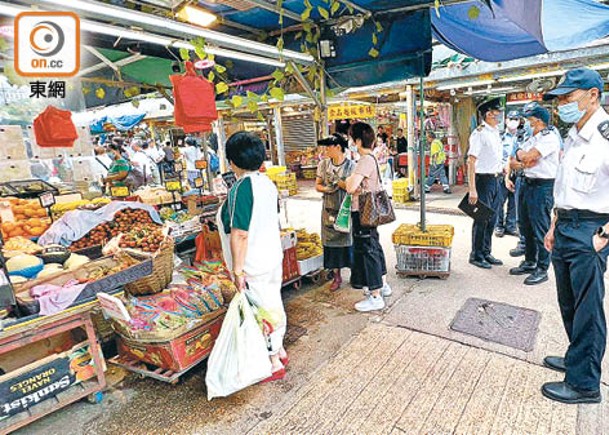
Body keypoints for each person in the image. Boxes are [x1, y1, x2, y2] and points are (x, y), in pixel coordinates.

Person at [541, 68, 609, 404]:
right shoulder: (572, 134)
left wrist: (604, 236)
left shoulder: (605, 136)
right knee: (568, 302)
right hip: (566, 225)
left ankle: (585, 384)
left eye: (569, 97)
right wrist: (554, 225)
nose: (562, 104)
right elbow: (564, 189)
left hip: (590, 228)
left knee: (588, 310)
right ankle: (576, 358)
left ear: (593, 95)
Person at [217, 131, 288, 382]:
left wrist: (237, 271)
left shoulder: (242, 187)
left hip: (253, 263)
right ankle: (279, 348)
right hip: (271, 257)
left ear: (233, 161)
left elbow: (240, 234)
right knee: (273, 302)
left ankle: (273, 362)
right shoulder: (266, 183)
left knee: (261, 311)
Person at [507, 103, 560, 285]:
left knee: (540, 228)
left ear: (538, 121)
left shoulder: (549, 137)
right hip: (527, 184)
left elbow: (529, 157)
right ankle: (530, 261)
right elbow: (514, 160)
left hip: (542, 187)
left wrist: (524, 157)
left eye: (529, 120)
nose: (527, 123)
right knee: (525, 226)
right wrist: (524, 159)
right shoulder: (531, 138)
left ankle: (542, 267)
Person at [346, 122, 392, 312]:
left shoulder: (364, 160)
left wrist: (350, 181)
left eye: (351, 139)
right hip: (370, 211)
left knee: (368, 251)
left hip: (363, 211)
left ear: (357, 141)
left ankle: (375, 295)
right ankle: (383, 284)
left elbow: (350, 187)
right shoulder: (371, 158)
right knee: (374, 246)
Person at [467, 98, 504, 269]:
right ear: (489, 114)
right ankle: (476, 254)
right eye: (497, 112)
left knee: (493, 219)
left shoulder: (495, 131)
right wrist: (472, 189)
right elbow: (471, 162)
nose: (500, 115)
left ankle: (486, 252)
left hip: (496, 179)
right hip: (483, 180)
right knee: (481, 219)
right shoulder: (479, 133)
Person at [315, 134, 355, 292]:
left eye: (328, 147)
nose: (325, 150)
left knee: (348, 241)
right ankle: (336, 276)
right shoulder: (323, 165)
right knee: (331, 245)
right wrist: (326, 188)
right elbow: (317, 185)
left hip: (345, 210)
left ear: (338, 147)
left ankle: (354, 273)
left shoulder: (351, 166)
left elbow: (352, 187)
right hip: (328, 209)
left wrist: (339, 183)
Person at [495, 110, 521, 238]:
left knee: (514, 201)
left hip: (516, 172)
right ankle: (498, 225)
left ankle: (510, 225)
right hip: (502, 172)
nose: (513, 121)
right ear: (506, 120)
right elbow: (496, 155)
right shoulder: (500, 137)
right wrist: (502, 168)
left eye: (516, 119)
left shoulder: (521, 137)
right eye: (511, 119)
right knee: (499, 201)